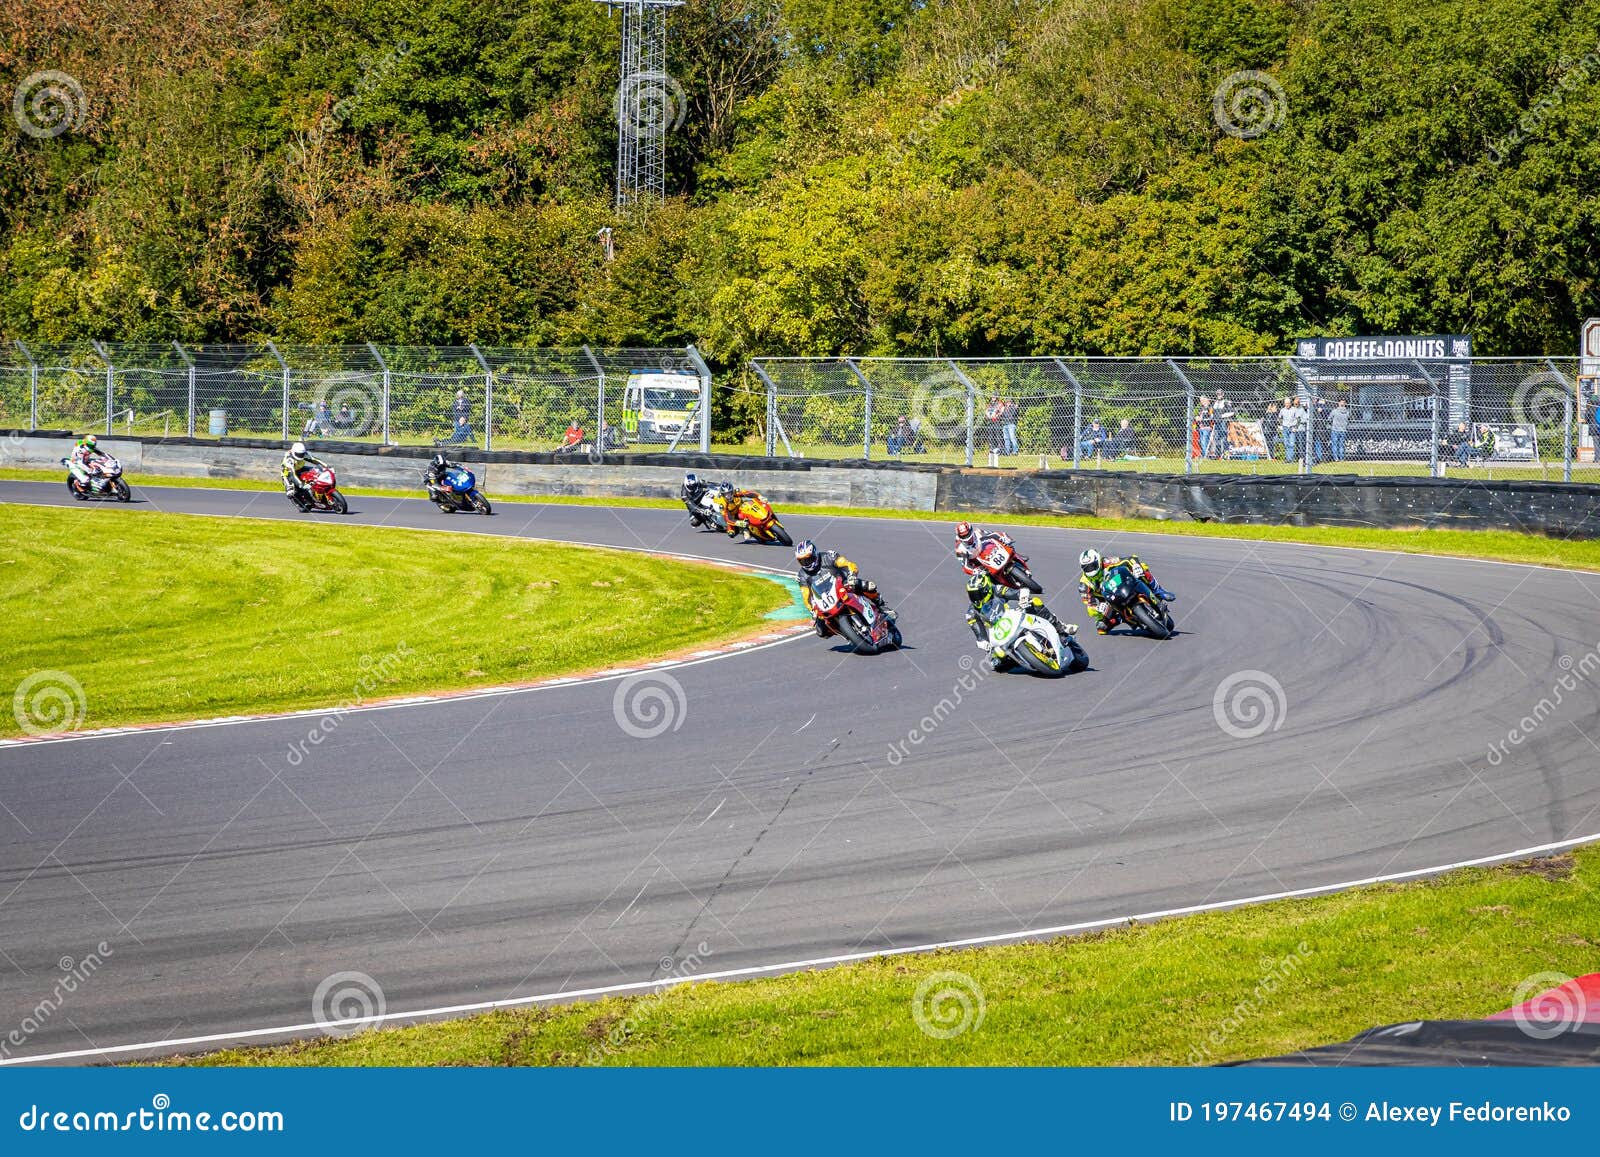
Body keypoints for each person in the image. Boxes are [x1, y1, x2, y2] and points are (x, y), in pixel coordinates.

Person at [965, 570, 1082, 672]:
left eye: (977, 594)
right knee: (997, 664)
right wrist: (983, 643)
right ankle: (1025, 659)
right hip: (998, 634)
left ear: (986, 590)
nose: (975, 598)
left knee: (1035, 602)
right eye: (972, 595)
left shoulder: (997, 589)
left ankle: (1060, 627)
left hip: (1012, 617)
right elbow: (978, 632)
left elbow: (1013, 592)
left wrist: (1022, 596)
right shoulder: (971, 613)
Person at [794, 539, 892, 638]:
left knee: (866, 586)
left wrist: (852, 575)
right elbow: (805, 595)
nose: (806, 563)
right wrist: (812, 610)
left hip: (844, 585)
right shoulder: (802, 575)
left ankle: (881, 605)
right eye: (802, 561)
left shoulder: (828, 556)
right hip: (825, 599)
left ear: (814, 553)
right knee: (821, 631)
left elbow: (848, 564)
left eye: (808, 559)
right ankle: (846, 633)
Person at [1078, 547, 1175, 634]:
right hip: (1108, 600)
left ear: (1098, 561)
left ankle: (1158, 590)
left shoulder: (1106, 561)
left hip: (1122, 584)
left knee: (1142, 567)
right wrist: (1098, 608)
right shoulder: (1084, 585)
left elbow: (1130, 558)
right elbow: (1090, 607)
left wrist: (1136, 566)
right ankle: (1122, 618)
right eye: (1086, 568)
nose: (1090, 570)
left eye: (1092, 566)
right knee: (1101, 628)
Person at [1280, 396, 1306, 463]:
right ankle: (1287, 458)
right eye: (1286, 403)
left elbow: (1299, 419)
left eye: (1288, 403)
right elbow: (1280, 418)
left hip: (1292, 428)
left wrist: (1295, 428)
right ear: (1284, 404)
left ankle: (1290, 459)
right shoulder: (1282, 410)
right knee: (1286, 444)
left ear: (1290, 403)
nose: (1287, 404)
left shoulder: (1294, 409)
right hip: (1285, 428)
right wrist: (1281, 425)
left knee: (1291, 444)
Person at [1210, 392, 1235, 458]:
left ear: (1223, 394)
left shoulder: (1225, 402)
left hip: (1223, 422)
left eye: (1220, 394)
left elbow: (1232, 412)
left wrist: (1222, 415)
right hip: (1216, 422)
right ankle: (1217, 454)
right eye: (1218, 394)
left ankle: (1225, 453)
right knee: (1217, 438)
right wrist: (1213, 416)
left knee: (1224, 438)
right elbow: (1212, 412)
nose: (1219, 395)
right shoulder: (1214, 403)